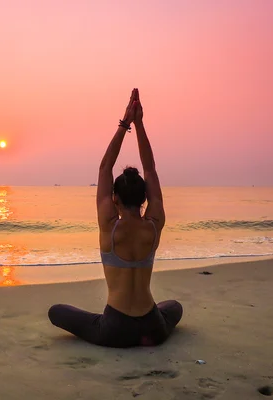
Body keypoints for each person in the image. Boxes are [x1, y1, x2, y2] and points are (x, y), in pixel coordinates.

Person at [48, 88, 183, 348]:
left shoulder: (109, 224)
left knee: (56, 311)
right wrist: (140, 124)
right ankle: (149, 332)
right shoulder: (154, 225)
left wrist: (125, 123)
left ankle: (110, 327)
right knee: (174, 307)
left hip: (114, 330)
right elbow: (150, 169)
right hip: (153, 328)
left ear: (115, 199)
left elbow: (104, 168)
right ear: (144, 199)